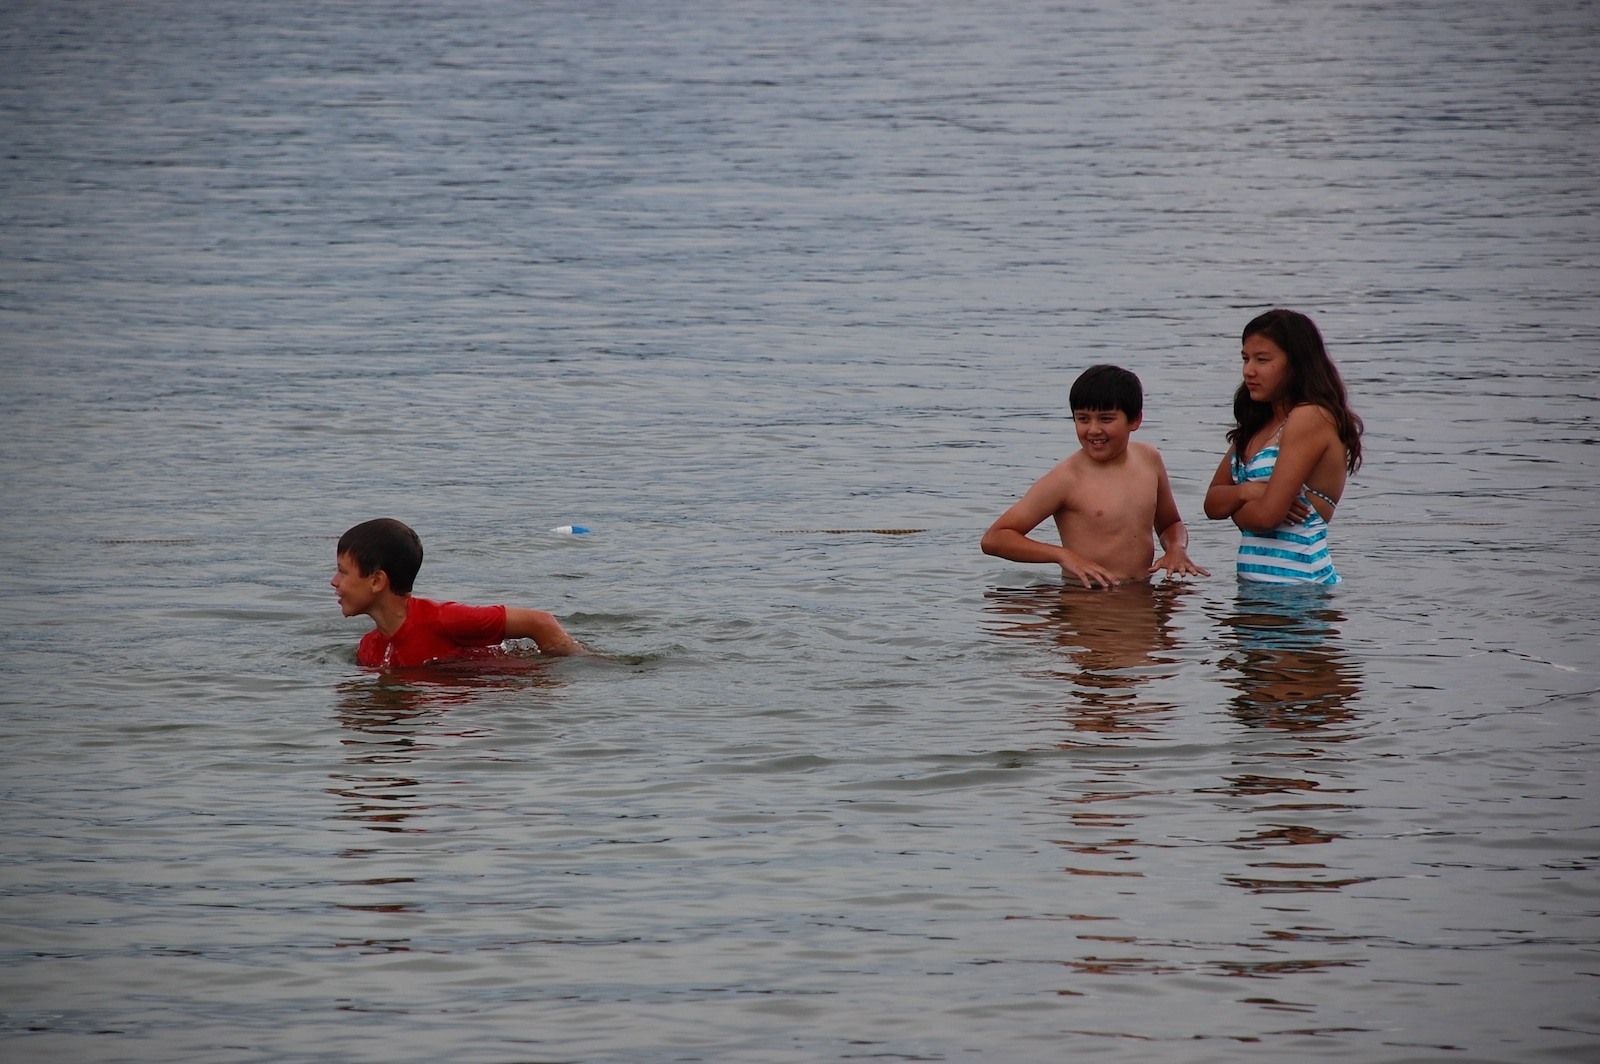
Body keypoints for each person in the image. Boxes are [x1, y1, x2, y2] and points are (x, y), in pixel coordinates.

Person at [981, 365, 1208, 588]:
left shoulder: (1149, 458)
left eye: (1106, 419)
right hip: (1088, 598)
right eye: (1083, 419)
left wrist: (1176, 548)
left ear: (1135, 420)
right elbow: (995, 538)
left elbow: (1170, 523)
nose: (1093, 430)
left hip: (1141, 592)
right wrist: (1063, 555)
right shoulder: (1067, 478)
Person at [1203, 309, 1363, 584]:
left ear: (1297, 363)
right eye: (1245, 358)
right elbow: (1212, 505)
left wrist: (1239, 504)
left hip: (1301, 594)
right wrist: (1249, 491)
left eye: (1262, 360)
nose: (1248, 370)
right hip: (1255, 594)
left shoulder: (1311, 416)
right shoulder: (1258, 426)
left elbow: (1266, 518)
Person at [332, 518, 584, 667]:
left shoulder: (443, 620)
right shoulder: (368, 650)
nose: (334, 581)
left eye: (343, 572)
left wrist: (567, 671)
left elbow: (540, 622)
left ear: (377, 581)